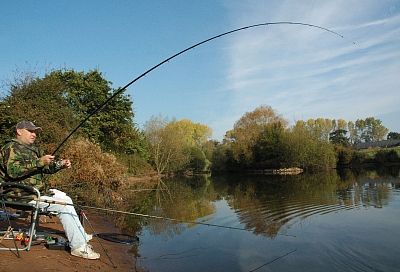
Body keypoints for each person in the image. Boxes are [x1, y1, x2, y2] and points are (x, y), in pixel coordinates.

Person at [0, 120, 100, 259]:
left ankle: (80, 235)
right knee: (63, 206)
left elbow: (46, 167)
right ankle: (78, 247)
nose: (34, 134)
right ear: (19, 131)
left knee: (66, 198)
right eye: (30, 131)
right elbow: (13, 171)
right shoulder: (10, 148)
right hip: (20, 195)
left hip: (35, 192)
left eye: (35, 132)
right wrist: (40, 161)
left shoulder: (34, 150)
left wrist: (60, 164)